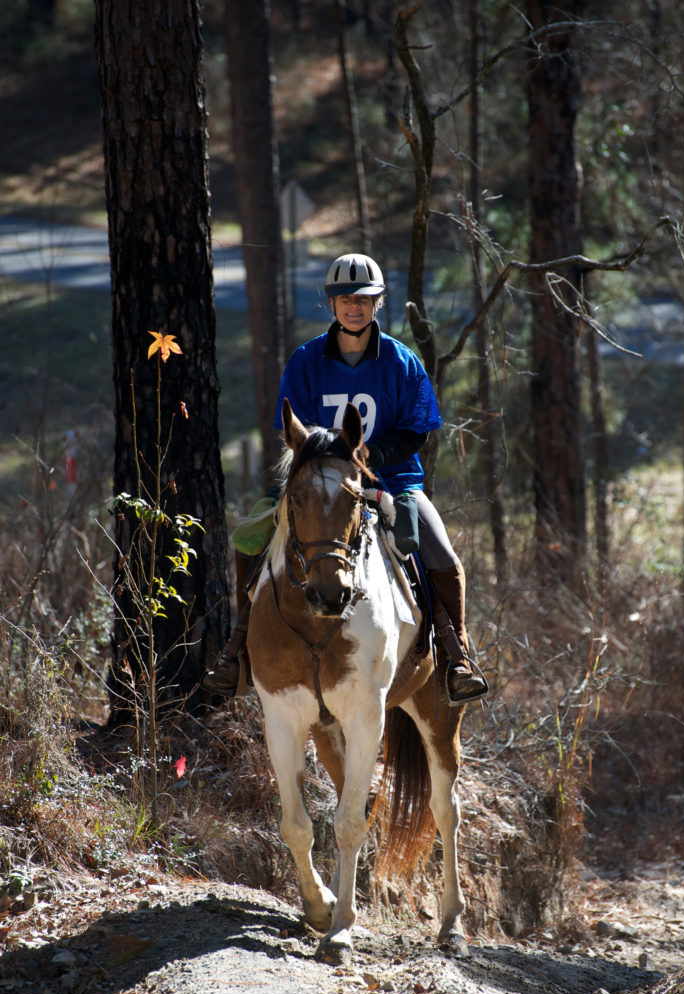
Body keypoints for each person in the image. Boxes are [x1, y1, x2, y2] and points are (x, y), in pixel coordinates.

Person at [203, 252, 487, 704]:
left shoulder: (402, 361)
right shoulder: (305, 361)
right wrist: (329, 464)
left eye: (364, 298)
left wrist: (370, 453)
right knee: (249, 538)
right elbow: (292, 428)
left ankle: (457, 656)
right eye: (344, 298)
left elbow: (416, 431)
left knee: (442, 555)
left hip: (393, 480)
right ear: (331, 304)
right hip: (319, 485)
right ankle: (237, 650)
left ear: (378, 303)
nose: (354, 306)